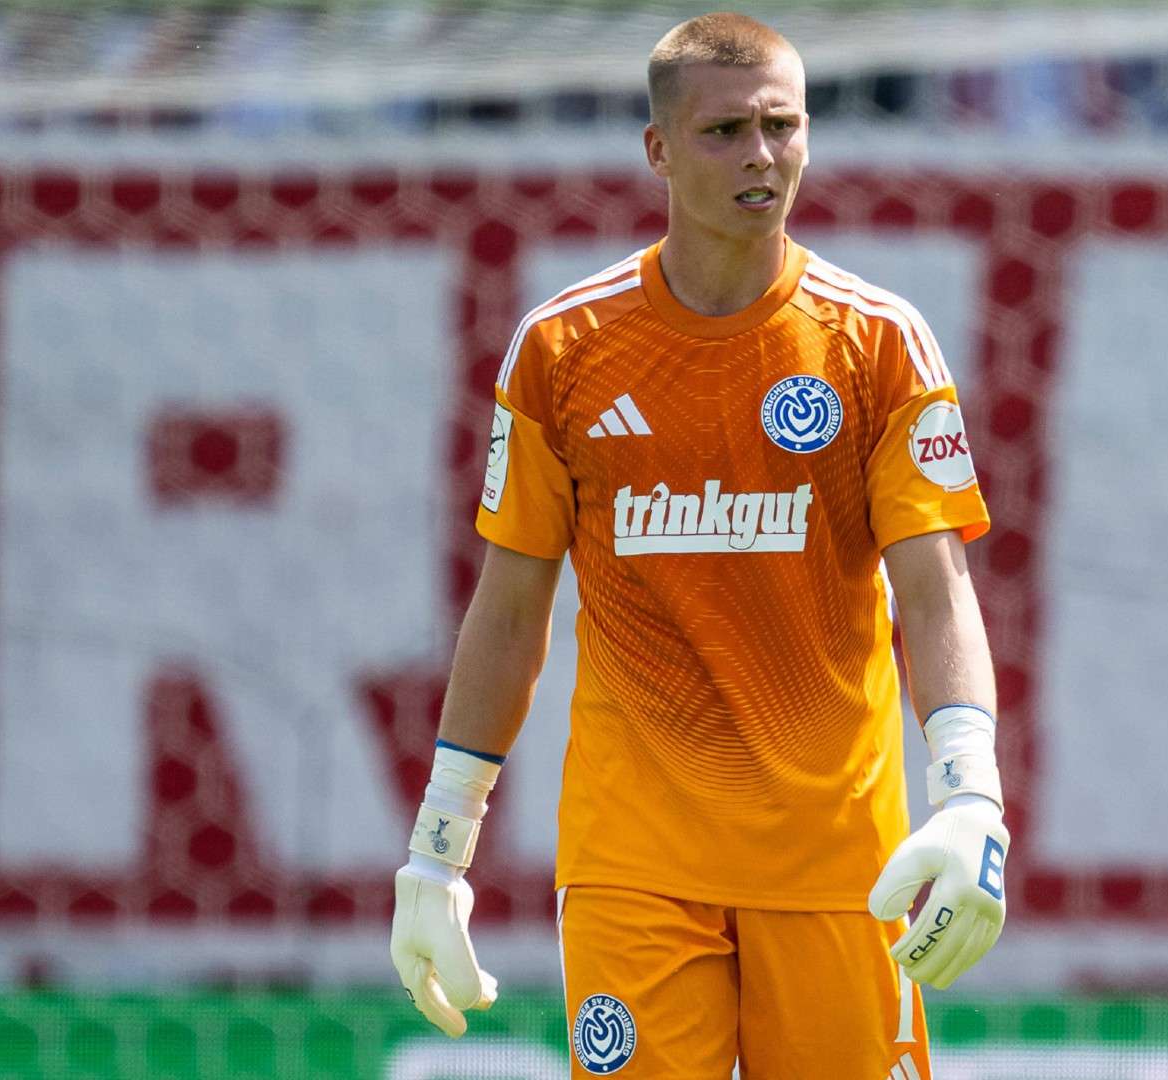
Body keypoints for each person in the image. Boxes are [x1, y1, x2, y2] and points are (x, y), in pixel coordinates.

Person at [389, 12, 1009, 1078]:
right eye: (725, 131)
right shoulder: (563, 350)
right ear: (658, 151)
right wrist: (437, 848)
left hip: (835, 862)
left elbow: (936, 591)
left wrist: (972, 793)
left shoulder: (877, 343)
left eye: (783, 125)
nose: (762, 155)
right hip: (635, 863)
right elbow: (508, 609)